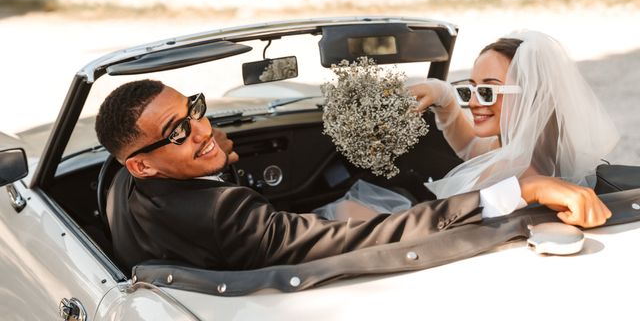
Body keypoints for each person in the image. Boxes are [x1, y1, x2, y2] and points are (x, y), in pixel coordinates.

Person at [95, 79, 611, 272]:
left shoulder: (131, 185)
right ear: (140, 163)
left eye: (196, 110)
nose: (205, 129)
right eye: (179, 131)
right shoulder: (220, 214)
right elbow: (366, 236)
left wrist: (211, 160)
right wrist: (509, 194)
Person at [410, 30, 620, 199]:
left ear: (532, 95)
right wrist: (444, 96)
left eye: (488, 91)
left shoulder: (505, 169)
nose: (472, 103)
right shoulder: (540, 148)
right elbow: (470, 147)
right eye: (471, 89)